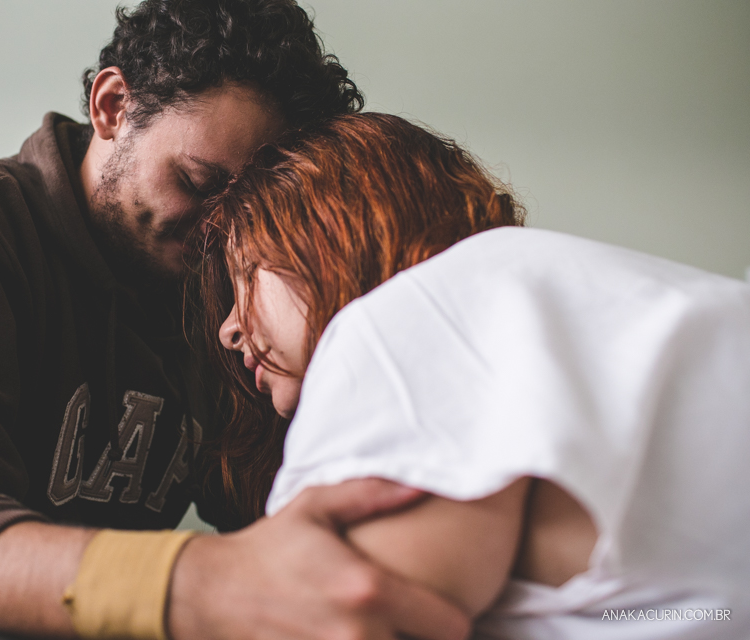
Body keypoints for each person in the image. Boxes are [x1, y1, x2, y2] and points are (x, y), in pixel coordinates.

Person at [0, 3, 470, 640]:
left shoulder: (219, 292)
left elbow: (272, 512)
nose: (219, 233)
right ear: (112, 107)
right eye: (197, 180)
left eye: (244, 212)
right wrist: (194, 584)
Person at [204, 112, 750, 638]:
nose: (230, 329)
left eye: (248, 271)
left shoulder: (398, 321)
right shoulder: (555, 296)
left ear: (331, 235)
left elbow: (352, 624)